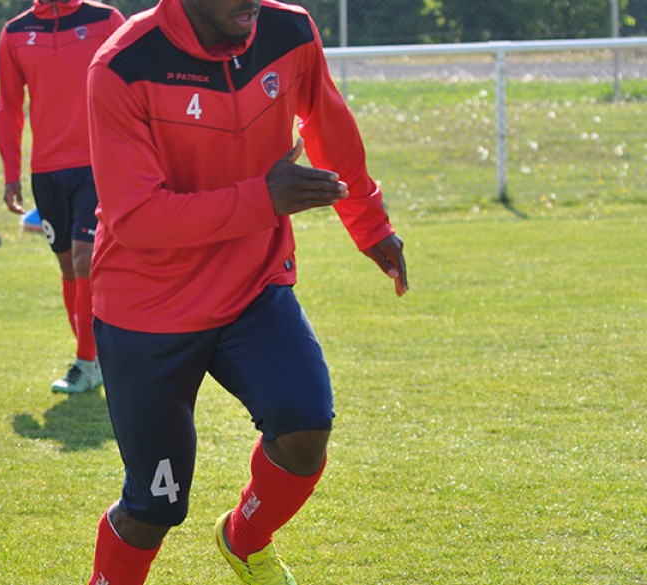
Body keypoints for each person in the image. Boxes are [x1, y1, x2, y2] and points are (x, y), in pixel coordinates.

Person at [84, 0, 408, 583]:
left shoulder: (290, 29)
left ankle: (244, 538)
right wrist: (264, 198)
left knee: (305, 428)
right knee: (154, 507)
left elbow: (327, 123)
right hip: (149, 309)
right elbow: (134, 217)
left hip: (252, 284)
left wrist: (369, 222)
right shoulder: (122, 67)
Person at [0, 0, 125, 394]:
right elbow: (9, 108)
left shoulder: (105, 20)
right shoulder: (15, 32)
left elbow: (135, 84)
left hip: (98, 163)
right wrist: (10, 173)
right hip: (47, 171)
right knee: (69, 267)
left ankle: (86, 363)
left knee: (86, 258)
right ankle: (97, 358)